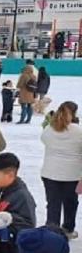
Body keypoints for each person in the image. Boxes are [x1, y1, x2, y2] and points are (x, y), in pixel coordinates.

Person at [40, 101, 82, 239]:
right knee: (70, 203)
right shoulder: (78, 131)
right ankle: (68, 229)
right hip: (71, 174)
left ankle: (52, 231)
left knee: (53, 203)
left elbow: (44, 140)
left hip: (50, 172)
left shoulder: (49, 129)